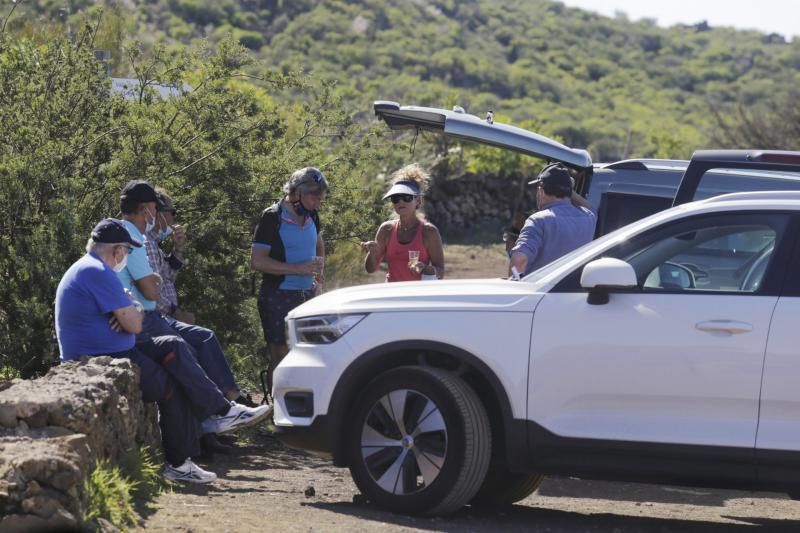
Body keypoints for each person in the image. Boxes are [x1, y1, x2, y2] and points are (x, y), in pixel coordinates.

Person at [55, 219, 268, 483]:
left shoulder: (91, 268)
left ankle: (221, 412)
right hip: (102, 358)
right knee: (171, 387)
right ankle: (181, 461)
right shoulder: (97, 271)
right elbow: (134, 323)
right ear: (117, 250)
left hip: (115, 350)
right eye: (127, 251)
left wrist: (130, 307)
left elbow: (135, 313)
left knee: (173, 344)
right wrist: (130, 309)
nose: (127, 256)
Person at [251, 167, 328, 391]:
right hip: (277, 295)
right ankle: (278, 413)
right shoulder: (272, 217)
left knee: (311, 354)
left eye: (320, 198)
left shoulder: (312, 214)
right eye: (314, 197)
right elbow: (257, 262)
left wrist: (319, 278)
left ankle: (303, 409)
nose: (318, 203)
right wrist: (298, 269)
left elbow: (319, 243)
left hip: (307, 295)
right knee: (281, 355)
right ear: (296, 193)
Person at [509, 163, 596, 278]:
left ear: (541, 191)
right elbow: (591, 208)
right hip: (576, 292)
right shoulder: (589, 217)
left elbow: (519, 260)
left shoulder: (538, 221)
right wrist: (569, 192)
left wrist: (514, 287)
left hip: (540, 292)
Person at [360, 164, 445, 282]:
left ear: (418, 201)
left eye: (406, 197)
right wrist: (372, 254)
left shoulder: (429, 231)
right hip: (392, 294)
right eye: (395, 198)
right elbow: (370, 269)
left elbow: (441, 272)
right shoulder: (386, 229)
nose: (400, 201)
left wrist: (425, 269)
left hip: (419, 295)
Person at [145, 189, 192, 323]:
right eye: (173, 212)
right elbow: (152, 291)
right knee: (205, 337)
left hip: (165, 317)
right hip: (159, 319)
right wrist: (177, 313)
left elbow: (169, 276)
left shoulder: (154, 244)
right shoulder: (147, 243)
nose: (174, 218)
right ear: (159, 214)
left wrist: (178, 249)